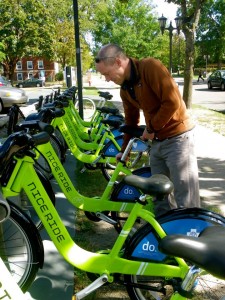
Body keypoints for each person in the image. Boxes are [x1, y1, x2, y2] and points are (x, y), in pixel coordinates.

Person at [95, 43, 200, 216]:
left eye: (106, 73)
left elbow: (172, 101)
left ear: (118, 62)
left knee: (186, 198)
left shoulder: (150, 67)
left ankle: (191, 236)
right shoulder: (125, 89)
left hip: (178, 139)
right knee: (160, 197)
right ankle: (165, 237)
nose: (107, 79)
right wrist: (124, 151)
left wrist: (151, 127)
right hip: (157, 142)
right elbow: (131, 122)